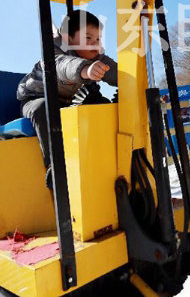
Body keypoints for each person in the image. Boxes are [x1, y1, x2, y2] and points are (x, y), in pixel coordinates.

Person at [17, 10, 118, 188]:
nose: (95, 44)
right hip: (35, 98)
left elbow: (117, 73)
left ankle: (104, 161)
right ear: (68, 39)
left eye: (98, 39)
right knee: (44, 108)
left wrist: (133, 82)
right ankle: (55, 167)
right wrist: (85, 70)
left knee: (99, 103)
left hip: (66, 102)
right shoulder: (54, 54)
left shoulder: (96, 58)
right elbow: (63, 66)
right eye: (88, 38)